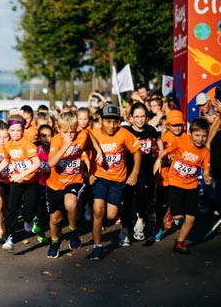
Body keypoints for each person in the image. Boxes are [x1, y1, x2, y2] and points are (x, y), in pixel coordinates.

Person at [88, 104, 141, 260]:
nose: (112, 125)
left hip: (117, 180)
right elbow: (82, 151)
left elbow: (137, 152)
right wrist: (87, 173)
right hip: (99, 178)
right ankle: (97, 247)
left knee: (111, 215)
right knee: (98, 211)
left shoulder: (124, 133)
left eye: (115, 122)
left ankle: (108, 223)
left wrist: (135, 172)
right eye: (108, 121)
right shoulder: (93, 134)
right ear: (101, 120)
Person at [153, 118, 211, 254]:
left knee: (192, 217)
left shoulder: (205, 152)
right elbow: (166, 152)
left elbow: (206, 170)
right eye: (197, 135)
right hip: (175, 182)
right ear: (190, 133)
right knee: (178, 216)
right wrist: (158, 161)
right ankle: (171, 212)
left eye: (204, 136)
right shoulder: (181, 142)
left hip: (191, 186)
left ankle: (179, 242)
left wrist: (208, 177)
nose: (200, 139)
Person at [45, 112, 97, 258]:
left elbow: (89, 135)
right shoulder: (56, 140)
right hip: (55, 185)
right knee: (55, 219)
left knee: (71, 203)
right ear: (58, 128)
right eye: (65, 132)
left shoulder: (82, 135)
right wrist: (66, 145)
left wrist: (98, 151)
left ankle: (73, 230)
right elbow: (51, 163)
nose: (70, 135)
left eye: (72, 131)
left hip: (74, 180)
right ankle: (55, 242)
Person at [0, 115, 41, 252]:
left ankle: (29, 219)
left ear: (23, 130)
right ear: (8, 130)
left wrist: (22, 174)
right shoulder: (8, 145)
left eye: (18, 130)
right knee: (11, 210)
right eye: (12, 130)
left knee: (29, 211)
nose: (15, 133)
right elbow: (6, 161)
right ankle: (10, 239)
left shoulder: (27, 144)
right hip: (16, 182)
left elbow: (37, 163)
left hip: (31, 182)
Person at [122, 102, 163, 243]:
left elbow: (159, 140)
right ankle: (124, 230)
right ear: (131, 118)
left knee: (144, 197)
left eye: (143, 116)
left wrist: (160, 158)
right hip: (129, 170)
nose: (140, 119)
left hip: (146, 170)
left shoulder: (151, 129)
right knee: (127, 199)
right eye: (137, 116)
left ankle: (140, 221)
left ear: (146, 117)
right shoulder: (126, 131)